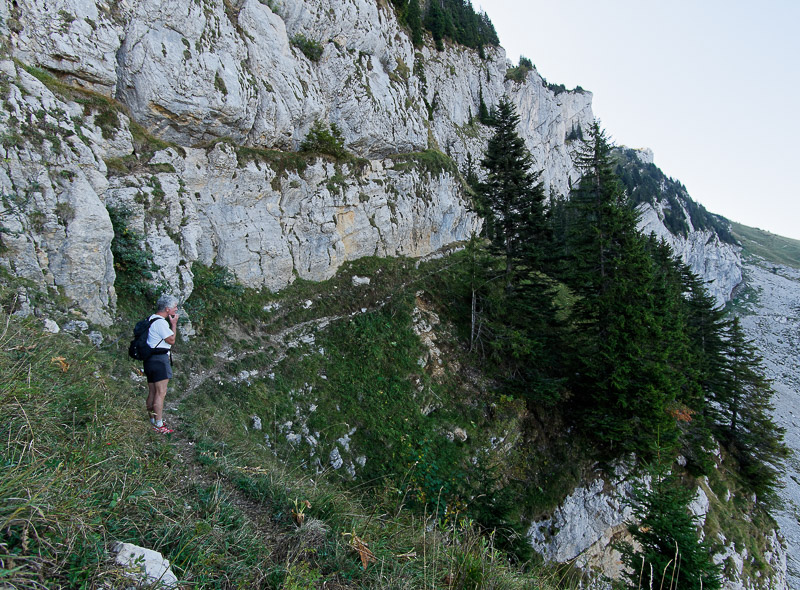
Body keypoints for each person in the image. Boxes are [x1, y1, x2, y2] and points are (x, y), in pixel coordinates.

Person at [144, 294, 179, 434]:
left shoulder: (150, 319)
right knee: (161, 392)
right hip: (160, 360)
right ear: (167, 308)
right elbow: (171, 340)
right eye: (174, 307)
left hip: (149, 360)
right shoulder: (161, 322)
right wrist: (174, 324)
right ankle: (159, 424)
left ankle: (151, 421)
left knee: (152, 391)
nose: (176, 309)